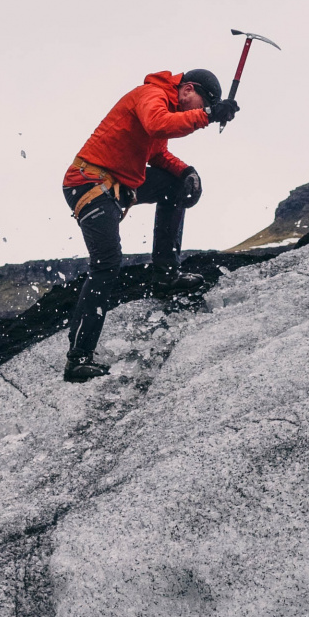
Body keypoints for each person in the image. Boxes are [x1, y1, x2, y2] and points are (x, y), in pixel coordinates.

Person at [62, 68, 239, 382]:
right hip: (89, 183)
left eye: (202, 108)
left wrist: (187, 172)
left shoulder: (167, 107)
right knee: (107, 265)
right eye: (199, 103)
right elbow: (158, 124)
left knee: (173, 184)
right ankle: (78, 359)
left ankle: (165, 275)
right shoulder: (151, 96)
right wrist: (209, 114)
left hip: (115, 186)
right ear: (187, 89)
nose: (198, 111)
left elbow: (158, 154)